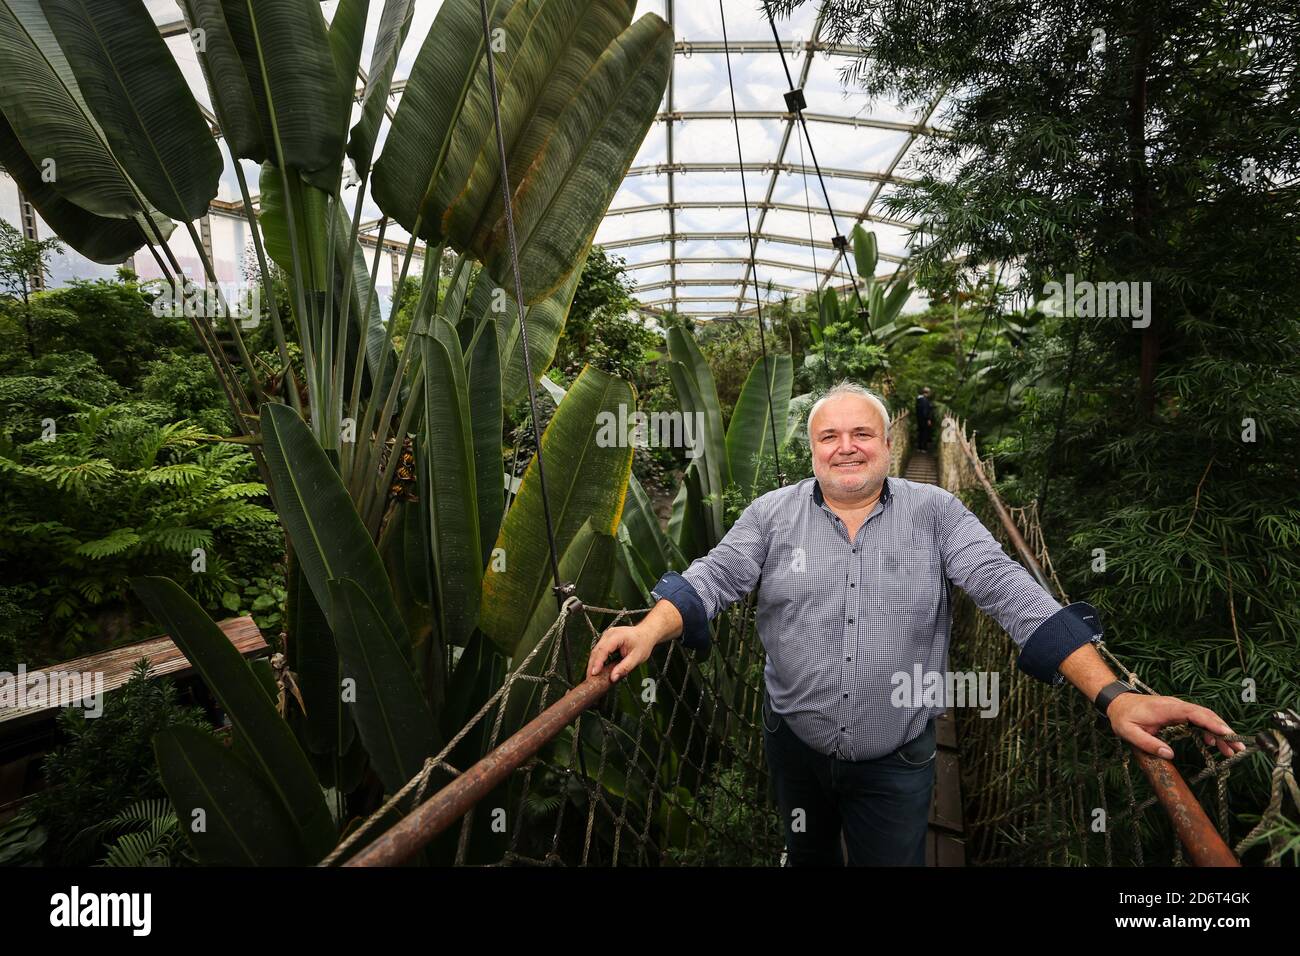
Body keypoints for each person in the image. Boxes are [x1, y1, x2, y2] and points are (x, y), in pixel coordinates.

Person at [587, 381, 1245, 866]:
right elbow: (715, 575)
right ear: (812, 448)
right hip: (795, 747)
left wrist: (1113, 695)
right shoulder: (768, 516)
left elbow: (1007, 588)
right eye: (829, 436)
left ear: (889, 442)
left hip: (898, 759)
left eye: (862, 434)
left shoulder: (936, 513)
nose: (846, 447)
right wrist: (647, 630)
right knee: (806, 854)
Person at [915, 386, 934, 451]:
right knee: (925, 433)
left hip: (919, 419)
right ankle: (924, 448)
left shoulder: (918, 399)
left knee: (920, 433)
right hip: (924, 420)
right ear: (927, 393)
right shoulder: (925, 400)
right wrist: (928, 419)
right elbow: (925, 411)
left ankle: (919, 447)